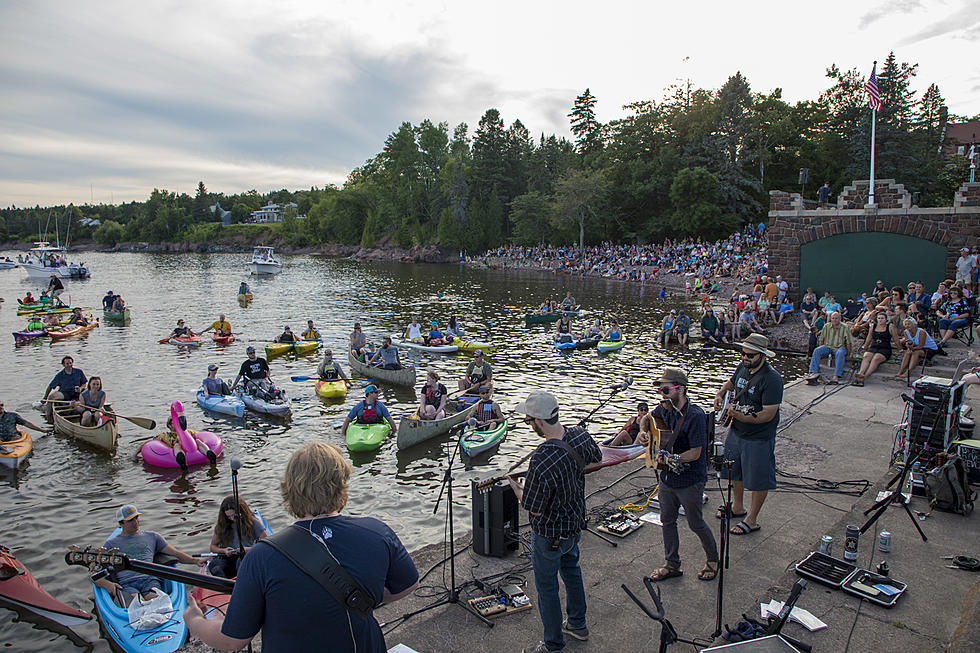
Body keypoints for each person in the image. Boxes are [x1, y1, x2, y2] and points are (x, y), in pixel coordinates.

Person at [184, 442, 419, 652]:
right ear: (342, 487)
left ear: (290, 491)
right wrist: (369, 596)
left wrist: (195, 619)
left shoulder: (262, 556)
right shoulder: (377, 532)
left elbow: (231, 641)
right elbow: (408, 584)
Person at [507, 391, 602, 653]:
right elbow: (597, 456)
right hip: (574, 523)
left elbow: (534, 509)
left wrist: (519, 491)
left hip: (549, 534)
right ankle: (578, 625)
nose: (529, 425)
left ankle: (553, 645)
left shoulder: (542, 458)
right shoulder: (579, 435)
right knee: (572, 571)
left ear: (538, 422)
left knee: (547, 587)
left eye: (529, 421)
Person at [639, 369, 718, 582]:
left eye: (665, 389)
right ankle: (671, 563)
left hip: (690, 479)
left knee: (695, 522)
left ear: (680, 389)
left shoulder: (695, 416)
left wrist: (672, 459)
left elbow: (696, 453)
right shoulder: (664, 408)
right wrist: (643, 432)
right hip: (667, 478)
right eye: (660, 389)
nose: (661, 393)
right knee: (668, 520)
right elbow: (646, 419)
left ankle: (712, 559)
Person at [713, 334, 783, 536]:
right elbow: (730, 384)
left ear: (762, 355)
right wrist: (719, 395)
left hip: (759, 437)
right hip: (736, 431)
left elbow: (768, 414)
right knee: (734, 472)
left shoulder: (772, 379)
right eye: (743, 353)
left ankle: (751, 519)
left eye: (750, 355)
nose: (745, 358)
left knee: (759, 478)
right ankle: (737, 507)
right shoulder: (742, 367)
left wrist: (742, 417)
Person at [95, 505, 204, 600]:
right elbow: (94, 572)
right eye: (130, 520)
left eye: (136, 517)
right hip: (127, 583)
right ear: (121, 523)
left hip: (149, 580)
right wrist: (107, 585)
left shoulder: (152, 537)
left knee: (156, 601)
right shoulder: (110, 544)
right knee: (137, 603)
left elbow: (175, 554)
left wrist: (195, 561)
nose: (135, 522)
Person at [207, 495, 268, 579]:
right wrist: (224, 550)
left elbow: (267, 544)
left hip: (246, 557)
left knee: (241, 562)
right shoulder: (222, 526)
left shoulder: (253, 523)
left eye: (234, 515)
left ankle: (241, 583)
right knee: (215, 566)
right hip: (228, 559)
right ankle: (224, 585)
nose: (232, 519)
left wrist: (247, 549)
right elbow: (213, 547)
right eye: (229, 517)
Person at [806, 311, 852, 384]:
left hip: (840, 347)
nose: (834, 320)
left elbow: (849, 342)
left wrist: (849, 354)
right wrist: (821, 350)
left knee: (840, 353)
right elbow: (821, 340)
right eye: (833, 318)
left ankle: (836, 375)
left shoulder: (845, 327)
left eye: (836, 318)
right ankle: (813, 372)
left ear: (840, 319)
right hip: (828, 346)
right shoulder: (826, 326)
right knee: (817, 350)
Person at [854, 312, 899, 386]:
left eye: (882, 318)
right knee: (866, 356)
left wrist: (899, 348)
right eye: (879, 318)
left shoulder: (890, 327)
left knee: (876, 358)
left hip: (885, 348)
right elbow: (869, 337)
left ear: (886, 319)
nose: (880, 320)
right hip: (874, 346)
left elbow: (896, 339)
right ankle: (861, 373)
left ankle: (865, 376)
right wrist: (865, 346)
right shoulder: (873, 326)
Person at [43, 356, 86, 422]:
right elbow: (51, 386)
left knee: (87, 391)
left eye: (70, 363)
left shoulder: (79, 372)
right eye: (67, 364)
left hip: (76, 392)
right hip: (65, 393)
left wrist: (81, 388)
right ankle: (49, 416)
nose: (69, 365)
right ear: (63, 365)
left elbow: (84, 383)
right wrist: (45, 398)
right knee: (51, 396)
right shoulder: (60, 375)